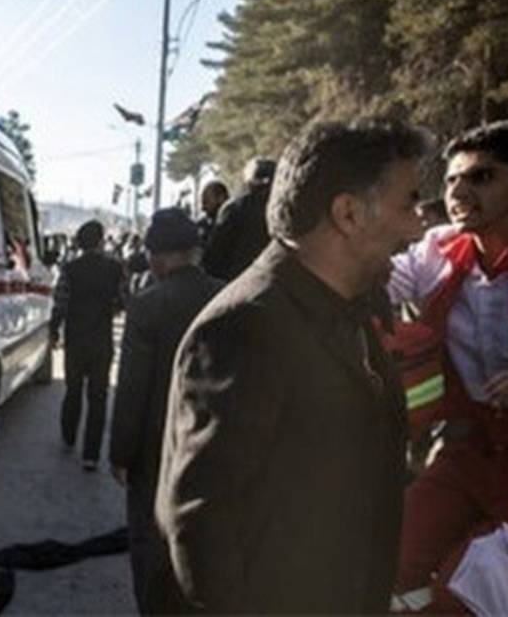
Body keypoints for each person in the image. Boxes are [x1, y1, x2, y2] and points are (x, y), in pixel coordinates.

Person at [159, 120, 425, 612]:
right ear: (347, 213)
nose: (419, 226)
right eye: (409, 203)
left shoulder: (349, 308)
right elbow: (201, 525)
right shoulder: (245, 327)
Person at [387, 121, 508, 615]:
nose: (458, 192)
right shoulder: (435, 252)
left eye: (481, 177)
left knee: (478, 585)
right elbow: (373, 284)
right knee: (384, 560)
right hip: (467, 452)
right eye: (450, 180)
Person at [108, 209, 223, 615]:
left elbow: (132, 389)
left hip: (157, 452)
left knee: (152, 547)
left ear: (155, 259)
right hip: (218, 447)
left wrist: (121, 453)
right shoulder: (228, 297)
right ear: (195, 251)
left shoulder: (146, 306)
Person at [49, 219, 123, 470]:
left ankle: (69, 436)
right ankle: (91, 455)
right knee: (98, 397)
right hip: (101, 339)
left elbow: (60, 302)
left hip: (76, 338)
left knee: (73, 390)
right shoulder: (115, 268)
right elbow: (123, 300)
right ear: (101, 241)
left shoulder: (69, 269)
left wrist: (54, 331)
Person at [201, 157, 275, 281]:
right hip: (278, 284)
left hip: (237, 284)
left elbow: (213, 257)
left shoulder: (234, 208)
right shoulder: (286, 206)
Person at [196, 180, 229, 246]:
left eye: (206, 202)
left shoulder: (237, 223)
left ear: (220, 198)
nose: (203, 208)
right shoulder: (202, 225)